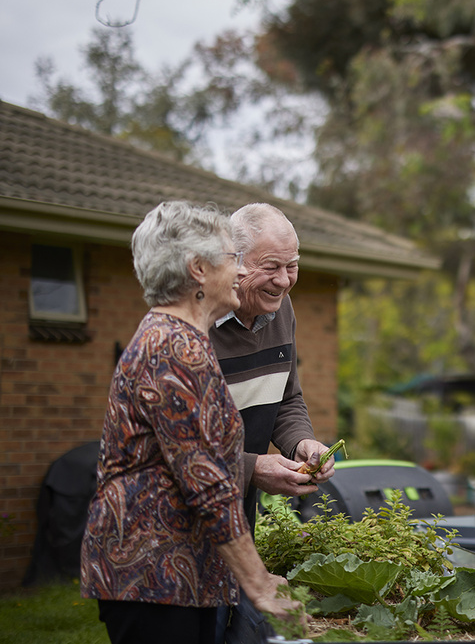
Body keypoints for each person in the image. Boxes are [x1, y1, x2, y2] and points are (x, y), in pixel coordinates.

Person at [81, 201, 300, 644]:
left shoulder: (179, 340)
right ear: (199, 270)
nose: (239, 271)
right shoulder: (174, 351)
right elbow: (209, 485)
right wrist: (259, 585)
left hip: (180, 575)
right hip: (153, 577)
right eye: (231, 257)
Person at [209, 203, 334, 529]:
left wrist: (301, 443)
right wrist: (252, 468)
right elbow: (177, 447)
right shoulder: (194, 323)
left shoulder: (281, 309)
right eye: (270, 266)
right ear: (232, 262)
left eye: (291, 265)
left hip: (238, 512)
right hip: (179, 518)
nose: (282, 281)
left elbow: (285, 398)